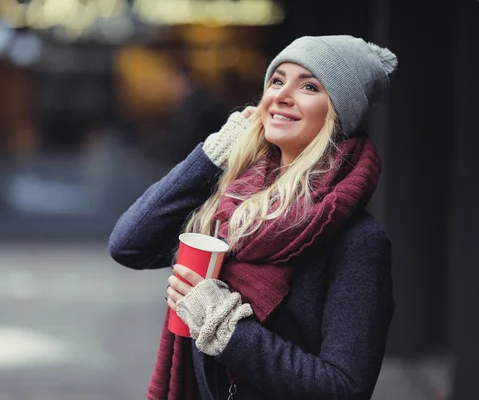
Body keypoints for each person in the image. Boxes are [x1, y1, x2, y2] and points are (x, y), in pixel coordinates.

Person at [108, 35, 397, 400]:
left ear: (340, 111)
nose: (281, 94)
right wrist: (214, 154)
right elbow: (128, 245)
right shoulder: (230, 202)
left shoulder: (359, 241)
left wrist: (227, 328)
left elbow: (343, 389)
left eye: (309, 86)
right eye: (277, 80)